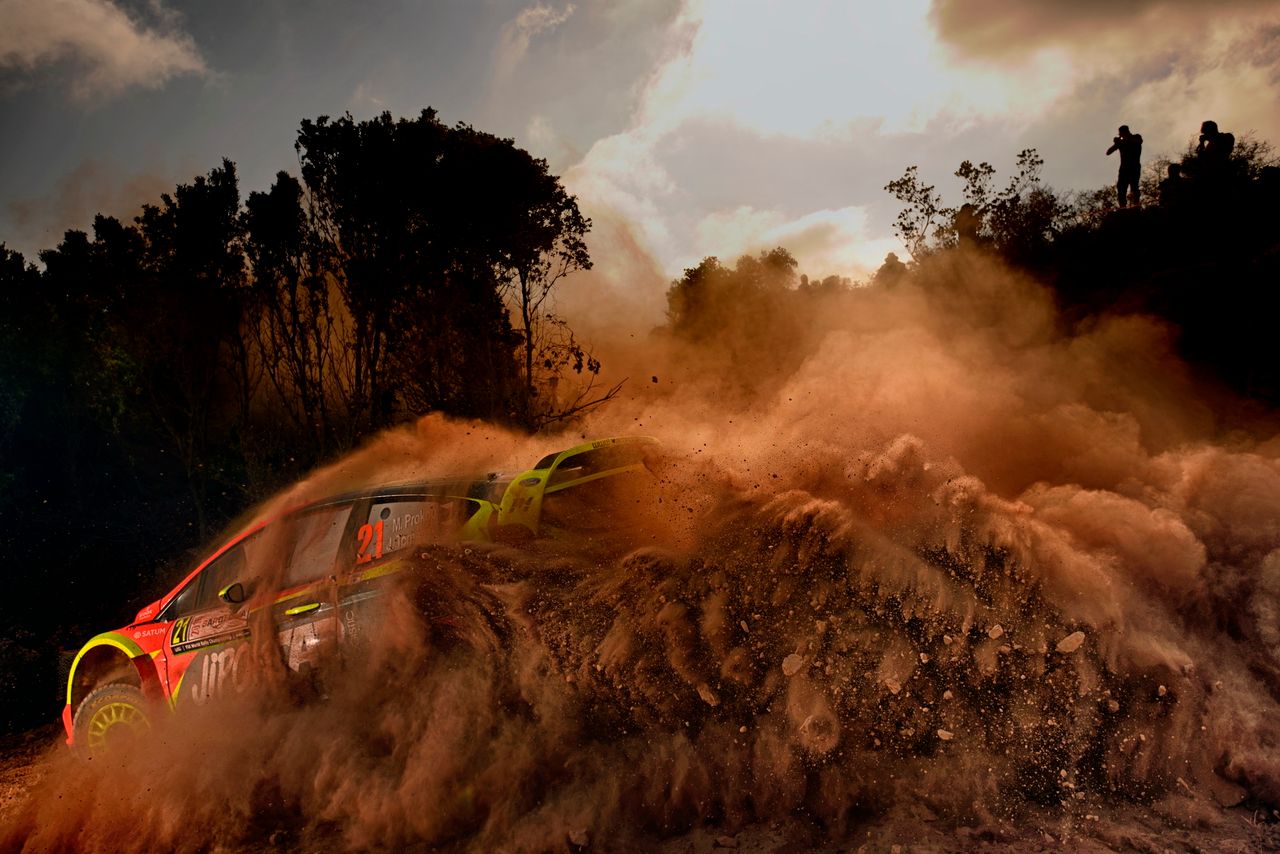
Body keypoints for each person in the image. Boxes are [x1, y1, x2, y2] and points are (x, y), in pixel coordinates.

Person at [1106, 125, 1143, 208]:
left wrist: (1122, 141)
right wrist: (1116, 143)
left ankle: (1136, 205)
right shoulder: (1121, 142)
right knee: (1121, 188)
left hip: (1134, 167)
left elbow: (1138, 141)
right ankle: (1122, 207)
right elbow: (1108, 152)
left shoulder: (1136, 137)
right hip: (1124, 168)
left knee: (1134, 187)